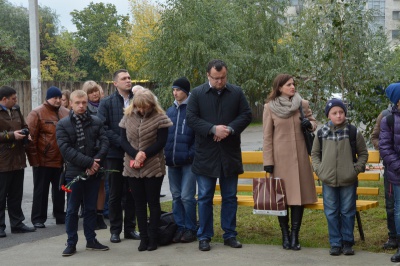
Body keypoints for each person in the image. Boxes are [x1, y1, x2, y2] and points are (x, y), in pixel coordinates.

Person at [186, 59, 252, 252]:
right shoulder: (197, 94)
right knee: (205, 196)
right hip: (206, 154)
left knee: (230, 196)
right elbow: (191, 118)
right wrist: (212, 129)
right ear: (208, 75)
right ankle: (204, 236)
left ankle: (230, 234)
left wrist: (230, 129)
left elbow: (246, 115)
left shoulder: (236, 92)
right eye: (215, 78)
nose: (220, 82)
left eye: (223, 77)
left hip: (229, 153)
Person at [263, 74, 317, 251]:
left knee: (297, 198)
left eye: (294, 84)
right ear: (279, 88)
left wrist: (308, 124)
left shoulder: (302, 104)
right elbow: (267, 137)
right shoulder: (269, 108)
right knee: (281, 199)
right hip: (280, 160)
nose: (293, 87)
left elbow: (314, 123)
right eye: (289, 84)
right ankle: (285, 235)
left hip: (300, 157)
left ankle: (295, 235)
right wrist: (268, 162)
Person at [311, 98, 368, 256]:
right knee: (331, 212)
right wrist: (319, 169)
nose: (339, 115)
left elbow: (363, 153)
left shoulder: (352, 132)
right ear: (328, 115)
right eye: (334, 113)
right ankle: (335, 242)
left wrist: (355, 169)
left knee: (347, 211)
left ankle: (347, 242)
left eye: (341, 112)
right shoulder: (322, 133)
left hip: (348, 179)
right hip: (328, 179)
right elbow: (315, 154)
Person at [56, 90, 110, 256]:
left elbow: (104, 142)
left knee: (91, 208)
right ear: (70, 103)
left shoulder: (96, 121)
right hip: (74, 173)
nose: (81, 106)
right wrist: (89, 162)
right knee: (72, 210)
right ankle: (71, 242)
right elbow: (66, 150)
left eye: (84, 103)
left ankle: (91, 240)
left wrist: (96, 162)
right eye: (77, 103)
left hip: (93, 172)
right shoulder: (63, 124)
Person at [120, 88, 172, 251]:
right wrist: (136, 154)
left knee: (153, 202)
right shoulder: (128, 116)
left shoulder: (160, 118)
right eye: (139, 106)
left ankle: (153, 237)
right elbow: (122, 140)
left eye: (145, 107)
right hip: (132, 166)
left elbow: (161, 142)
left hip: (153, 165)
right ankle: (143, 237)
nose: (142, 110)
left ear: (151, 104)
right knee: (139, 203)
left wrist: (144, 154)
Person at [98, 69, 140, 243]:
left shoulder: (138, 101)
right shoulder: (106, 103)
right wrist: (123, 144)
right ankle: (115, 230)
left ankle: (130, 229)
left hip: (135, 155)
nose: (128, 81)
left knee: (132, 193)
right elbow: (103, 128)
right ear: (115, 83)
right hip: (115, 155)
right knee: (115, 193)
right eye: (124, 78)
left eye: (129, 78)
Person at [26, 86, 70, 228]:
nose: (57, 100)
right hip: (43, 160)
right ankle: (38, 218)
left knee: (59, 190)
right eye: (54, 98)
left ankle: (59, 214)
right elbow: (30, 139)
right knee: (41, 191)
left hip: (61, 159)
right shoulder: (37, 113)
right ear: (47, 98)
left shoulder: (66, 112)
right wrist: (34, 160)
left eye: (59, 97)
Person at [0, 86, 36, 237]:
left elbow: (24, 125)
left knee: (16, 194)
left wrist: (26, 133)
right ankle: (0, 226)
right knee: (1, 196)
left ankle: (17, 223)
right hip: (2, 160)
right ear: (4, 99)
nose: (16, 101)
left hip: (18, 157)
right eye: (13, 98)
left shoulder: (16, 109)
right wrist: (11, 135)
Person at [164, 77, 197, 243]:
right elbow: (164, 135)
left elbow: (198, 136)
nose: (175, 93)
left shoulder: (193, 109)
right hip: (172, 161)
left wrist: (191, 154)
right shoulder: (170, 111)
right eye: (174, 90)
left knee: (187, 197)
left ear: (186, 91)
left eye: (178, 90)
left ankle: (191, 228)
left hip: (189, 162)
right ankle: (180, 226)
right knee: (176, 196)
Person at [82, 80, 107, 230]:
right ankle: (89, 214)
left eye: (96, 90)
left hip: (102, 150)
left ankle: (99, 215)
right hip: (88, 151)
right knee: (88, 185)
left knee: (101, 185)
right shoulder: (84, 109)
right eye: (91, 91)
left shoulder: (104, 106)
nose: (95, 94)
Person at [371, 104, 397, 250]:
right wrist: (386, 150)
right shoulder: (386, 115)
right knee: (391, 203)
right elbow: (375, 137)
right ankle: (393, 237)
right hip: (391, 167)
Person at [379, 82, 400, 262]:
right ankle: (396, 240)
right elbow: (382, 145)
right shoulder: (388, 118)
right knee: (396, 207)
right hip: (396, 172)